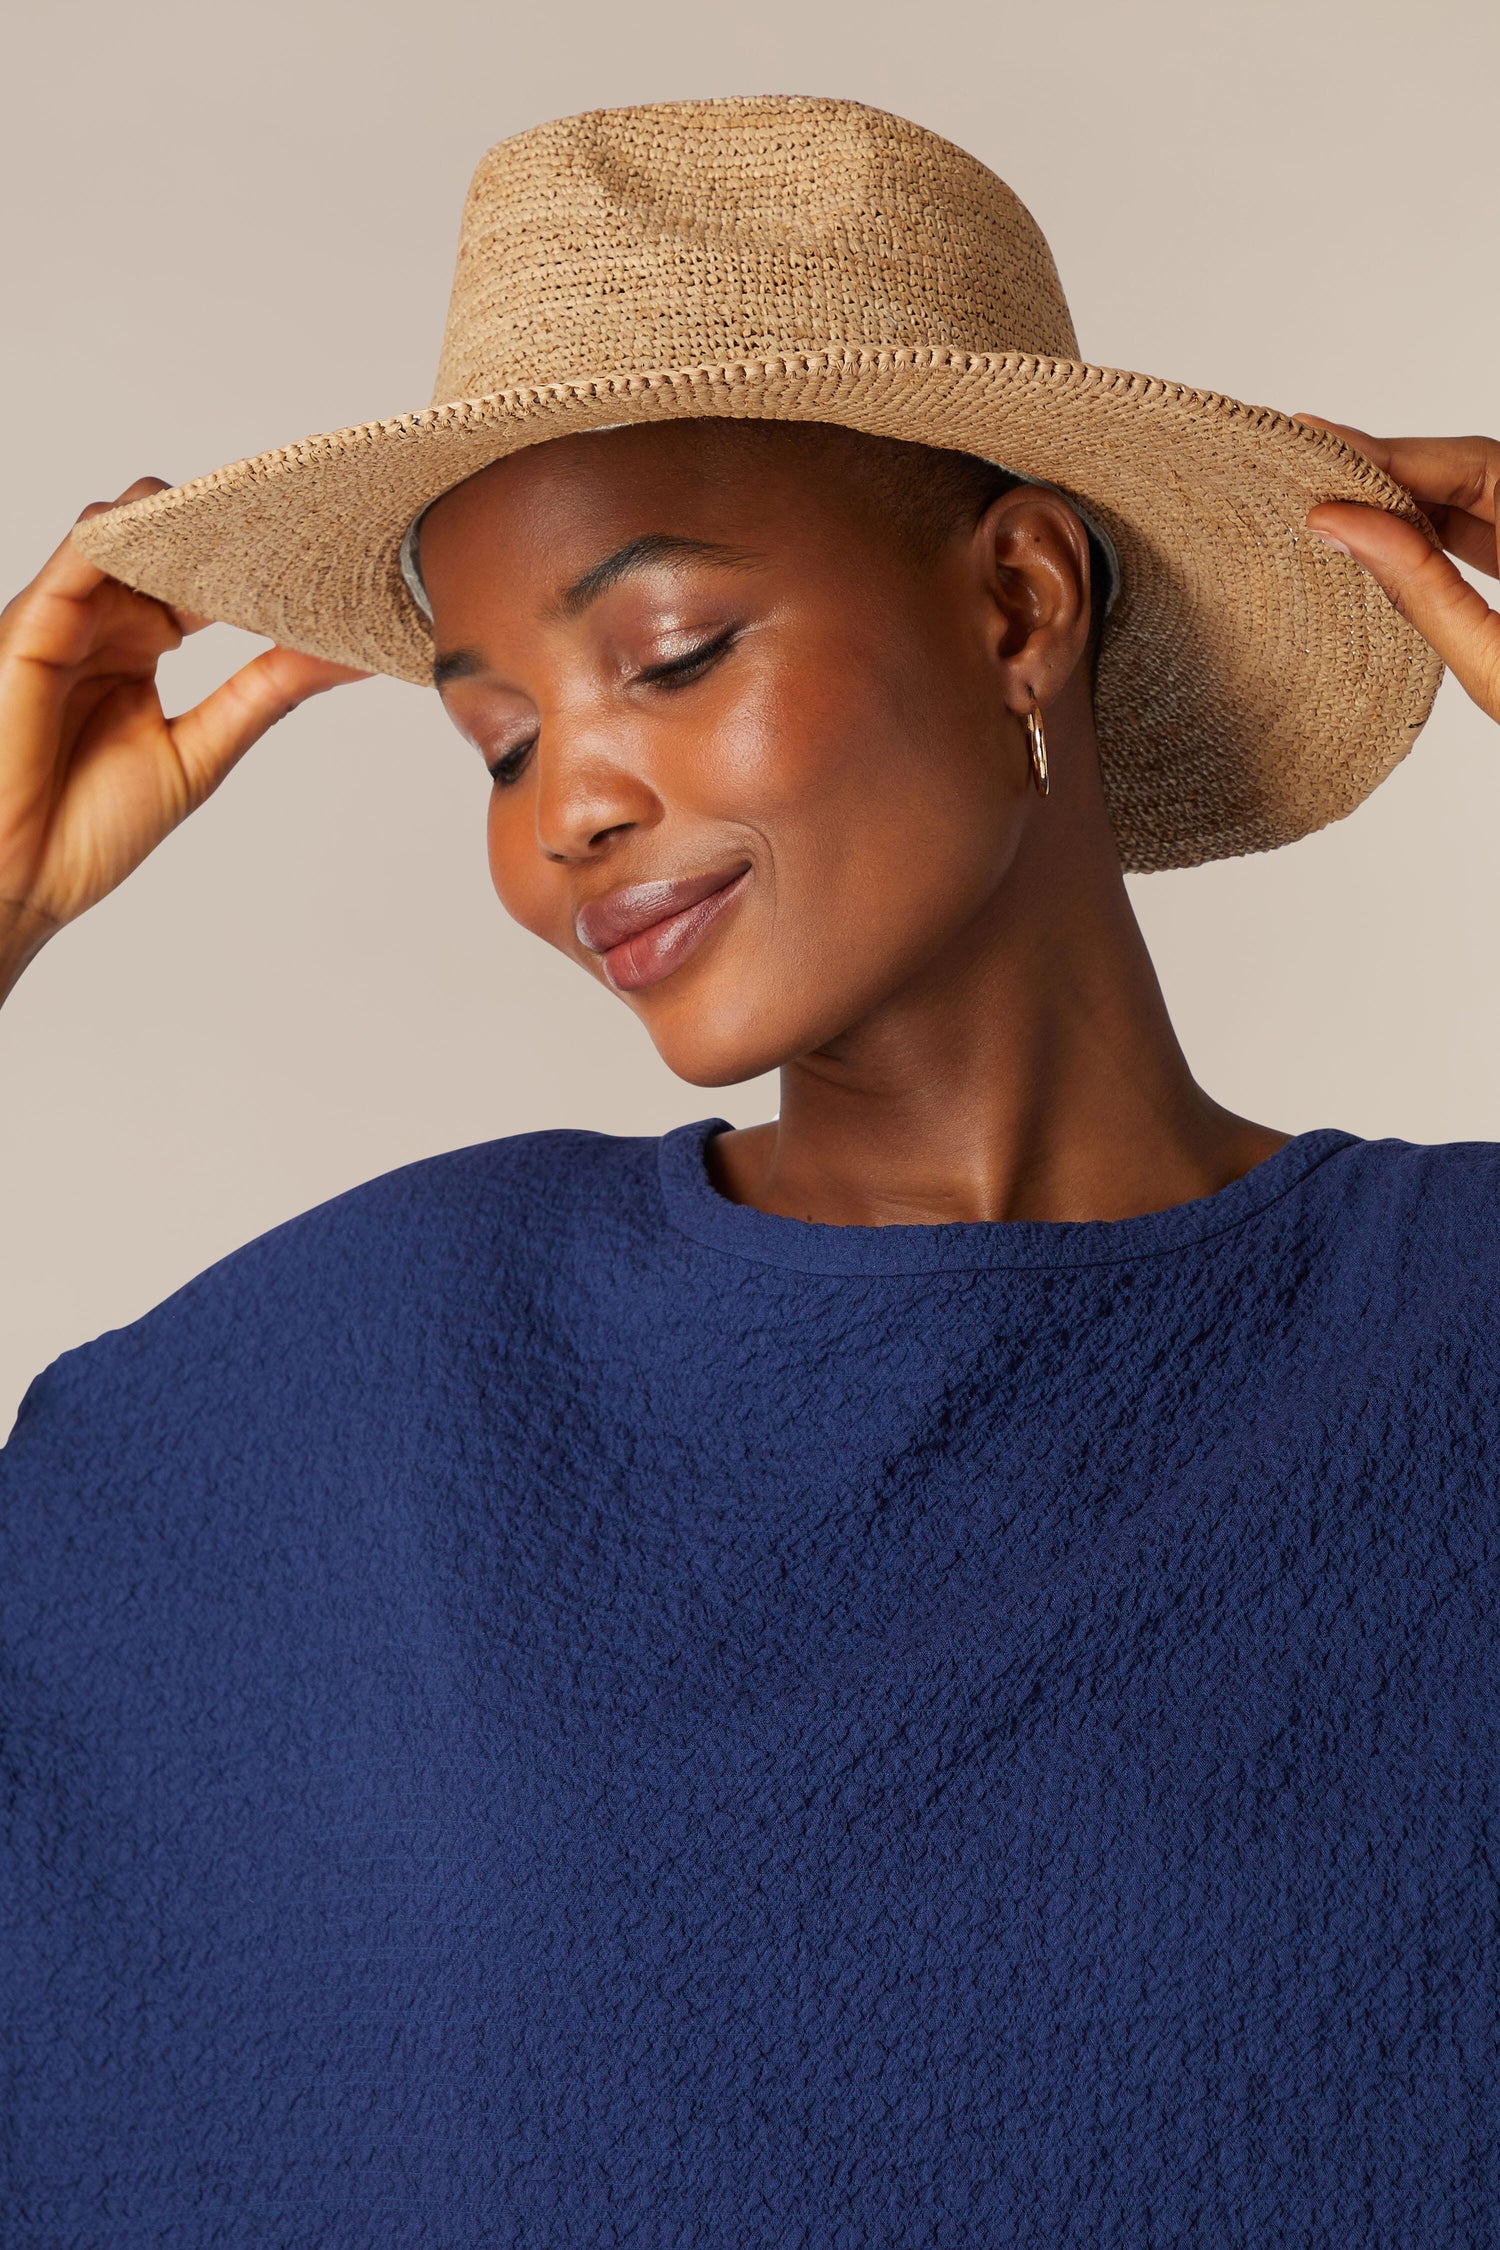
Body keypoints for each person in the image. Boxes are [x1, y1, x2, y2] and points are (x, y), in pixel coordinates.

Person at [2, 94, 1497, 2246]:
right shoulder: (390, 1366)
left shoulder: (1455, 1329)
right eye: (496, 736)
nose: (563, 814)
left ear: (1015, 602)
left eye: (671, 656)